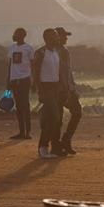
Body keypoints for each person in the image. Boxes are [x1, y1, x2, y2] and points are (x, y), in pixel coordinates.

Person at [32, 28, 66, 159]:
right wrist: (40, 90)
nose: (58, 38)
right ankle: (43, 146)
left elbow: (59, 71)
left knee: (51, 119)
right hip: (46, 88)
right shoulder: (40, 53)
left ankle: (47, 147)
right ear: (47, 38)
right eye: (55, 36)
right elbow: (36, 73)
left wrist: (63, 87)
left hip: (56, 87)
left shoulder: (56, 52)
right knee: (55, 118)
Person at [55, 27, 82, 155]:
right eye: (63, 36)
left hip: (66, 88)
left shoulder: (64, 50)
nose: (66, 38)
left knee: (75, 113)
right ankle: (60, 143)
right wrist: (68, 88)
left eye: (66, 36)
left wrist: (72, 87)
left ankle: (64, 140)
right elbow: (62, 72)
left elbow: (67, 71)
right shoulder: (57, 51)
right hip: (61, 89)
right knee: (60, 117)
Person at [6, 27, 34, 140]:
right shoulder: (12, 47)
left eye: (16, 33)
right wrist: (8, 80)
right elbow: (10, 64)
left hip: (24, 79)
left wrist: (34, 80)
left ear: (22, 35)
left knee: (25, 105)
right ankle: (21, 131)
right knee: (18, 106)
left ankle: (28, 132)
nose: (14, 35)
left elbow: (33, 64)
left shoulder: (29, 48)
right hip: (14, 80)